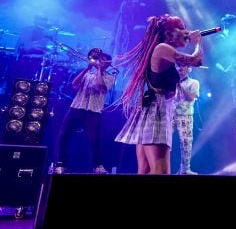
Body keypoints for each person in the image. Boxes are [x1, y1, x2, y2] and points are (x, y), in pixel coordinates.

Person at [114, 14, 203, 174]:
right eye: (181, 29)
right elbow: (196, 61)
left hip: (153, 110)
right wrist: (198, 42)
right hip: (157, 111)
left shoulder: (162, 49)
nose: (186, 32)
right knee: (160, 172)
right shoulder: (163, 48)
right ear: (169, 32)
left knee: (146, 170)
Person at [52, 48, 116, 174]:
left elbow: (99, 86)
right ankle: (60, 164)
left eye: (102, 60)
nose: (99, 61)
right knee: (63, 136)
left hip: (93, 110)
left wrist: (98, 69)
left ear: (108, 64)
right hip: (76, 107)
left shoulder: (109, 77)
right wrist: (87, 68)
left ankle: (97, 166)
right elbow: (74, 84)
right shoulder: (87, 74)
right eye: (99, 59)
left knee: (93, 140)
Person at [172, 65, 200, 175]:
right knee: (165, 141)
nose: (179, 68)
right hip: (170, 115)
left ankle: (185, 169)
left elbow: (191, 97)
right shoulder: (171, 81)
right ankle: (162, 167)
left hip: (185, 116)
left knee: (186, 143)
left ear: (189, 69)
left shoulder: (194, 82)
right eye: (178, 66)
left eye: (183, 66)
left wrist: (179, 85)